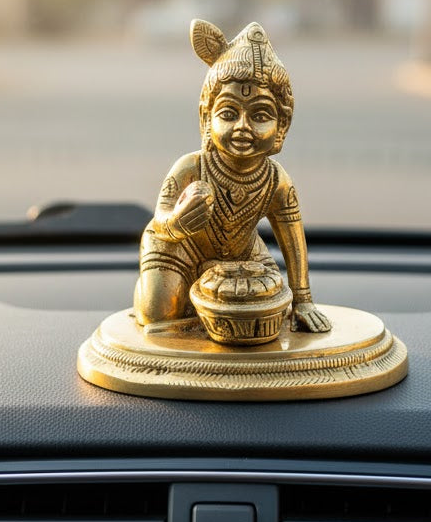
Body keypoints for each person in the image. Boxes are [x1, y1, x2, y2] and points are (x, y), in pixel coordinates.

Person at [134, 19, 331, 334]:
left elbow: (293, 240)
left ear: (282, 125)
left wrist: (303, 300)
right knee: (156, 312)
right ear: (206, 117)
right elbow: (160, 222)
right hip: (178, 247)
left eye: (260, 115)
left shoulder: (276, 181)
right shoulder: (191, 167)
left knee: (272, 305)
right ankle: (186, 300)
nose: (242, 127)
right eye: (228, 113)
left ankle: (205, 306)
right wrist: (177, 223)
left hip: (242, 253)